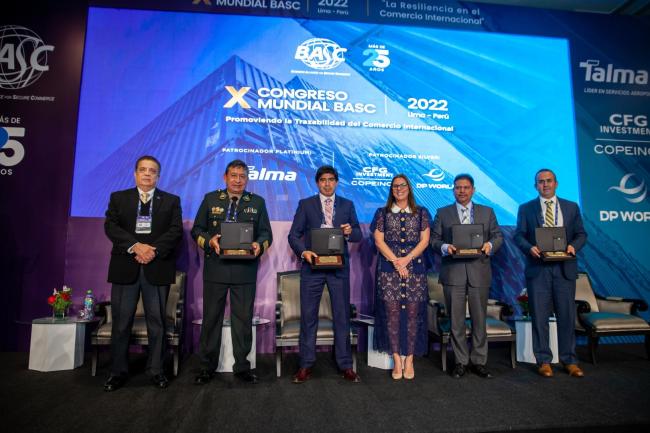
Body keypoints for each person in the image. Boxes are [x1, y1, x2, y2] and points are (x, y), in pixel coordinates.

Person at [103, 155, 183, 391]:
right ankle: (117, 372)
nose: (147, 174)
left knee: (157, 323)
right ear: (135, 173)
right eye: (143, 170)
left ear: (158, 176)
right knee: (121, 323)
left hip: (157, 268)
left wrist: (152, 251)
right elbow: (111, 226)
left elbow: (175, 231)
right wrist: (135, 246)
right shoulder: (119, 198)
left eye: (152, 171)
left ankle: (156, 371)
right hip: (125, 268)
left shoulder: (171, 201)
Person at [192, 159, 272, 385]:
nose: (238, 180)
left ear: (247, 179)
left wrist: (258, 245)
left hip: (244, 270)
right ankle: (206, 367)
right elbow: (197, 230)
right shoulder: (211, 199)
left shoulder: (257, 202)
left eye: (242, 176)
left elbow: (266, 234)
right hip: (216, 268)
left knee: (243, 320)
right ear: (225, 177)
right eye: (234, 176)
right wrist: (210, 241)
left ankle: (242, 367)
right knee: (211, 319)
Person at [288, 165, 362, 383]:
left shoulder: (347, 205)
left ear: (336, 182)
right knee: (308, 317)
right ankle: (305, 365)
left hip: (339, 268)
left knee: (342, 316)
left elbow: (358, 234)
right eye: (323, 180)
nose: (327, 184)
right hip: (312, 268)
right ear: (317, 183)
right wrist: (304, 252)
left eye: (331, 180)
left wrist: (350, 232)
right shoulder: (306, 204)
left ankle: (345, 365)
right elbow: (293, 235)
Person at [514, 168, 587, 378]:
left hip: (564, 268)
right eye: (541, 182)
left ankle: (569, 360)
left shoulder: (571, 207)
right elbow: (519, 236)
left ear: (556, 183)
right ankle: (544, 360)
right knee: (539, 317)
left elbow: (581, 234)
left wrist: (573, 246)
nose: (545, 184)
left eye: (548, 181)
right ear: (535, 186)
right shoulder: (526, 208)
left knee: (566, 316)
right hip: (538, 270)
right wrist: (529, 247)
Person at [430, 173, 503, 379]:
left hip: (479, 272)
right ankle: (460, 362)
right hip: (453, 273)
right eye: (458, 187)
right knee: (456, 321)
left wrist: (490, 245)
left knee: (480, 320)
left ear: (473, 190)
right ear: (453, 190)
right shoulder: (443, 213)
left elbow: (497, 236)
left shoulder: (487, 212)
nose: (461, 191)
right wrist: (445, 247)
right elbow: (434, 240)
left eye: (466, 187)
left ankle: (479, 362)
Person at [372, 174, 431, 380]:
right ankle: (397, 360)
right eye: (395, 186)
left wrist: (407, 259)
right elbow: (379, 241)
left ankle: (410, 360)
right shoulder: (383, 213)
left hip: (415, 268)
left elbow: (424, 241)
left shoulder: (421, 212)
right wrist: (397, 262)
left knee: (414, 314)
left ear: (409, 187)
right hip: (388, 270)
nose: (399, 189)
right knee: (392, 315)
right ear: (391, 190)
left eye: (402, 185)